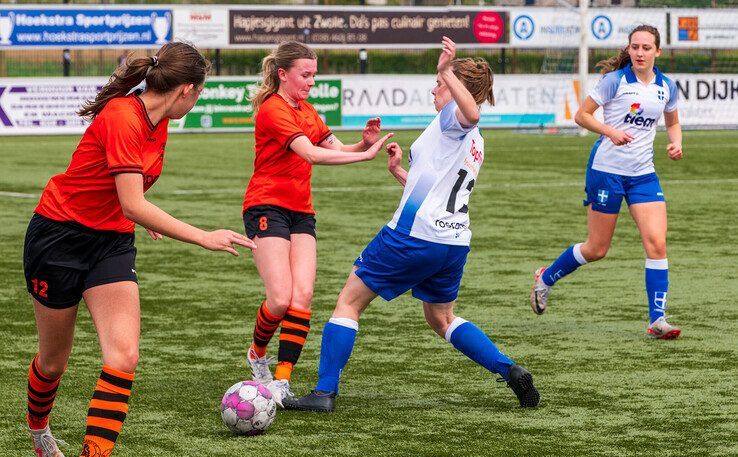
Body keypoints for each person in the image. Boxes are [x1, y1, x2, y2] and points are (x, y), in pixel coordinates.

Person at [23, 43, 255, 457]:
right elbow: (132, 202)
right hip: (57, 239)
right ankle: (39, 428)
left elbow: (131, 196)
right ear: (186, 89)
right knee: (53, 363)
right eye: (200, 93)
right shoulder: (122, 117)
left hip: (110, 244)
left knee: (124, 356)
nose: (198, 100)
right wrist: (203, 235)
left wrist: (147, 217)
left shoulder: (161, 120)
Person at [284, 37, 540, 413]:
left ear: (455, 87)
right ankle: (510, 369)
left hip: (412, 237)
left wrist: (445, 70)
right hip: (451, 242)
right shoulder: (474, 142)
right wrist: (399, 172)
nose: (434, 90)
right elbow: (436, 188)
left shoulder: (454, 118)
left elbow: (471, 113)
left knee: (347, 303)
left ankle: (323, 392)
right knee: (442, 319)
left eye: (439, 84)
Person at [242, 41, 392, 406]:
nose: (311, 81)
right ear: (283, 74)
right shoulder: (273, 110)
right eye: (305, 75)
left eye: (314, 75)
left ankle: (281, 381)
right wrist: (365, 157)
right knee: (279, 299)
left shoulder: (307, 110)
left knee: (303, 296)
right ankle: (257, 353)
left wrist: (361, 144)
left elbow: (334, 146)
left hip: (301, 212)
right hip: (266, 205)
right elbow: (309, 153)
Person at [529, 25, 683, 340]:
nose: (640, 53)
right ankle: (546, 278)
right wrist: (610, 131)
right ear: (628, 50)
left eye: (646, 47)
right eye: (635, 47)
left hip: (643, 175)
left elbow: (673, 120)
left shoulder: (666, 86)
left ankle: (658, 320)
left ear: (658, 52)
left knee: (657, 243)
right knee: (597, 248)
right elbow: (581, 115)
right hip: (606, 172)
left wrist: (675, 142)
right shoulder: (614, 81)